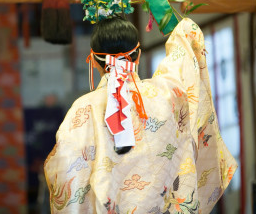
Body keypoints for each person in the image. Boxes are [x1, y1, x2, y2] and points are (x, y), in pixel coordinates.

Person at [44, 15, 237, 214]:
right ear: (138, 55)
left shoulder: (83, 109)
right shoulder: (167, 94)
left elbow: (65, 169)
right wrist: (176, 19)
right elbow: (185, 58)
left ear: (93, 60)